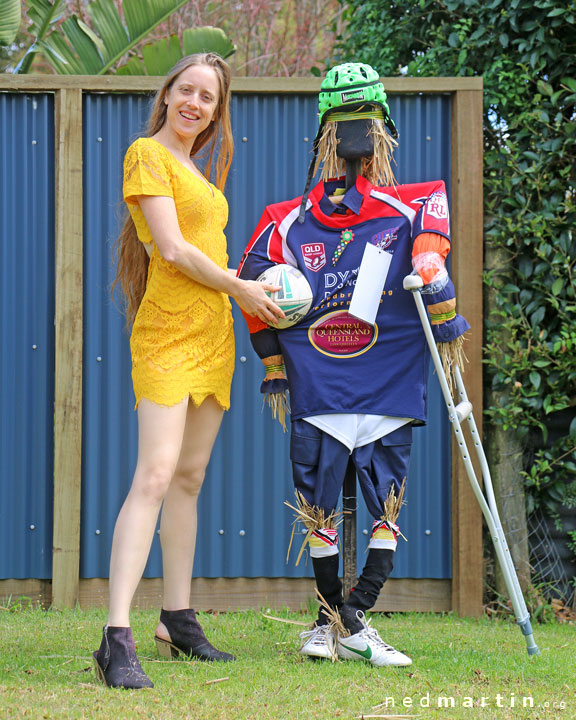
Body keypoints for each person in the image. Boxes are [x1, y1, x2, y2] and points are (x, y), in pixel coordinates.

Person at [238, 62, 469, 667]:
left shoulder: (413, 204)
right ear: (325, 138)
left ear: (383, 134)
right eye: (344, 127)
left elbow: (432, 239)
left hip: (388, 379)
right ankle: (339, 622)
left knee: (382, 502)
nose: (356, 142)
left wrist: (428, 264)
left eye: (364, 126)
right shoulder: (283, 220)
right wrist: (274, 365)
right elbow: (250, 289)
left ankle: (347, 615)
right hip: (319, 383)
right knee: (320, 501)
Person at [92, 52, 284, 690]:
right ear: (168, 93)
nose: (195, 104)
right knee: (153, 473)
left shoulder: (198, 172)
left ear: (216, 111)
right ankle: (115, 635)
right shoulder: (147, 154)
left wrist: (245, 291)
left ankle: (175, 617)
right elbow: (172, 250)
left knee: (189, 477)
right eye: (187, 91)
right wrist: (243, 288)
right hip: (168, 333)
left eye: (208, 97)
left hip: (212, 336)